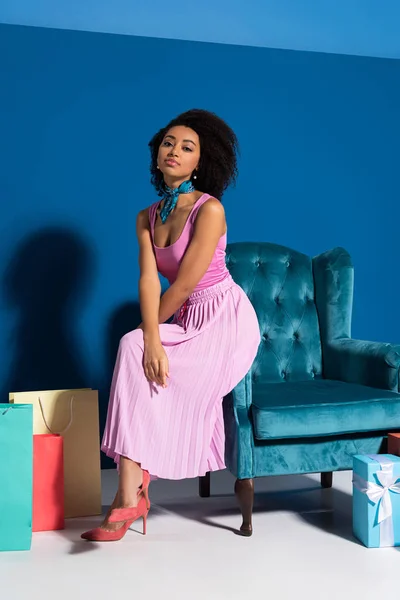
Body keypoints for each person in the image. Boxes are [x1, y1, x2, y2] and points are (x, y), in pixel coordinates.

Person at [81, 109, 261, 542]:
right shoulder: (146, 216)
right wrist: (150, 337)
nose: (175, 151)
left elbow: (182, 286)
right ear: (157, 154)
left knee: (138, 345)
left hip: (224, 320)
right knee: (131, 345)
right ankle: (130, 492)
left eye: (187, 147)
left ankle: (133, 491)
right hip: (183, 317)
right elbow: (148, 280)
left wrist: (154, 340)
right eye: (168, 143)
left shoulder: (210, 209)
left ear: (200, 162)